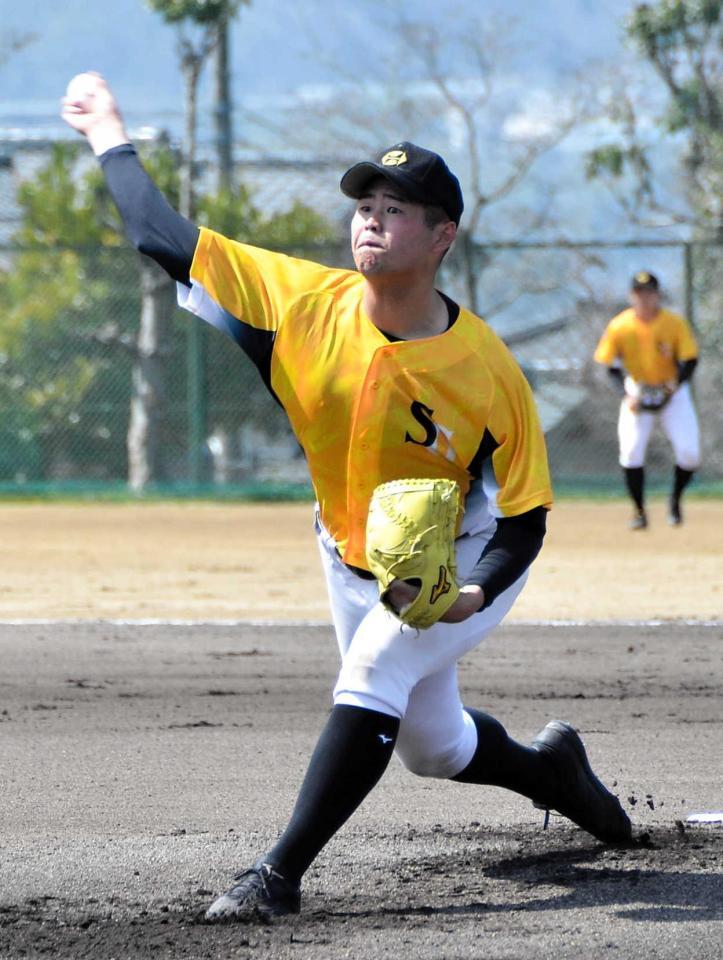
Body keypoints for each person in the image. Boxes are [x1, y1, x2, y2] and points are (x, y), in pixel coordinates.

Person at [62, 73, 632, 922]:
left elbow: (526, 514)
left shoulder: (486, 369)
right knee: (432, 747)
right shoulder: (300, 304)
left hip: (459, 556)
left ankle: (274, 877)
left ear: (442, 236)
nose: (372, 214)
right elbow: (158, 234)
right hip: (346, 548)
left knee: (372, 670)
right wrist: (107, 130)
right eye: (366, 200)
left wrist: (470, 593)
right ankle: (553, 773)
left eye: (397, 206)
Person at [594, 271, 701, 529]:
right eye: (640, 293)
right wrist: (626, 394)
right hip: (637, 389)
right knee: (631, 452)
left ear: (657, 294)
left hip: (671, 388)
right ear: (632, 296)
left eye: (650, 292)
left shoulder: (673, 323)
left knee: (689, 453)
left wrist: (674, 385)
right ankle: (639, 511)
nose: (645, 298)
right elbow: (610, 366)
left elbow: (690, 359)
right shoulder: (620, 325)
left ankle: (674, 500)